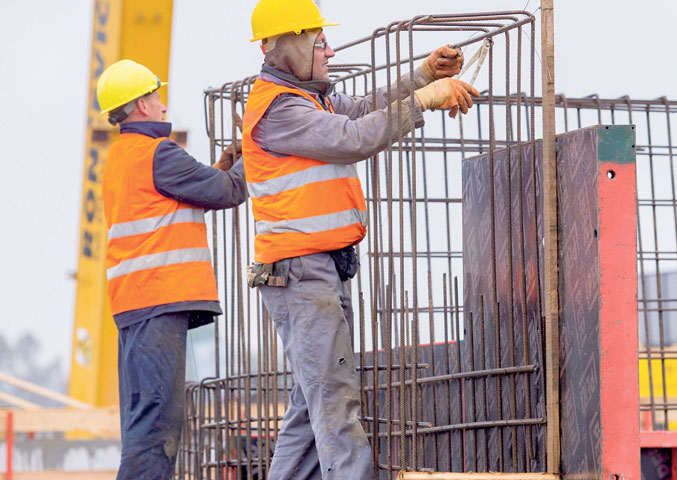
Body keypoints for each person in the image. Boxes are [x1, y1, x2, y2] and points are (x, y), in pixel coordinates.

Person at [241, 1, 479, 479]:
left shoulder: (311, 98)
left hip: (316, 271)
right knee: (334, 408)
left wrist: (421, 77)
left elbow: (366, 110)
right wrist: (427, 99)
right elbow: (354, 137)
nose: (328, 50)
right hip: (301, 274)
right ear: (285, 45)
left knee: (312, 412)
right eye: (318, 40)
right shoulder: (280, 109)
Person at [96, 59, 248, 480]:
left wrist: (221, 165)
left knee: (143, 423)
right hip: (159, 303)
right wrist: (256, 145)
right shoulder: (159, 153)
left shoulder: (122, 158)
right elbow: (231, 190)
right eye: (156, 96)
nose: (162, 104)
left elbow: (180, 197)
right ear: (142, 104)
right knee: (156, 428)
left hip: (136, 308)